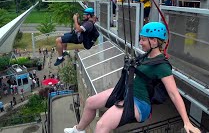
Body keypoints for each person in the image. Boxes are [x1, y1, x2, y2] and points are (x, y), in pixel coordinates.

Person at [64, 22, 200, 133]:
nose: (140, 42)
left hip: (140, 103)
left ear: (153, 41)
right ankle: (78, 130)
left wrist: (186, 122)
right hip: (127, 93)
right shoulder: (147, 56)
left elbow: (174, 94)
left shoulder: (162, 65)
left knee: (101, 126)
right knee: (90, 102)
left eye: (143, 39)